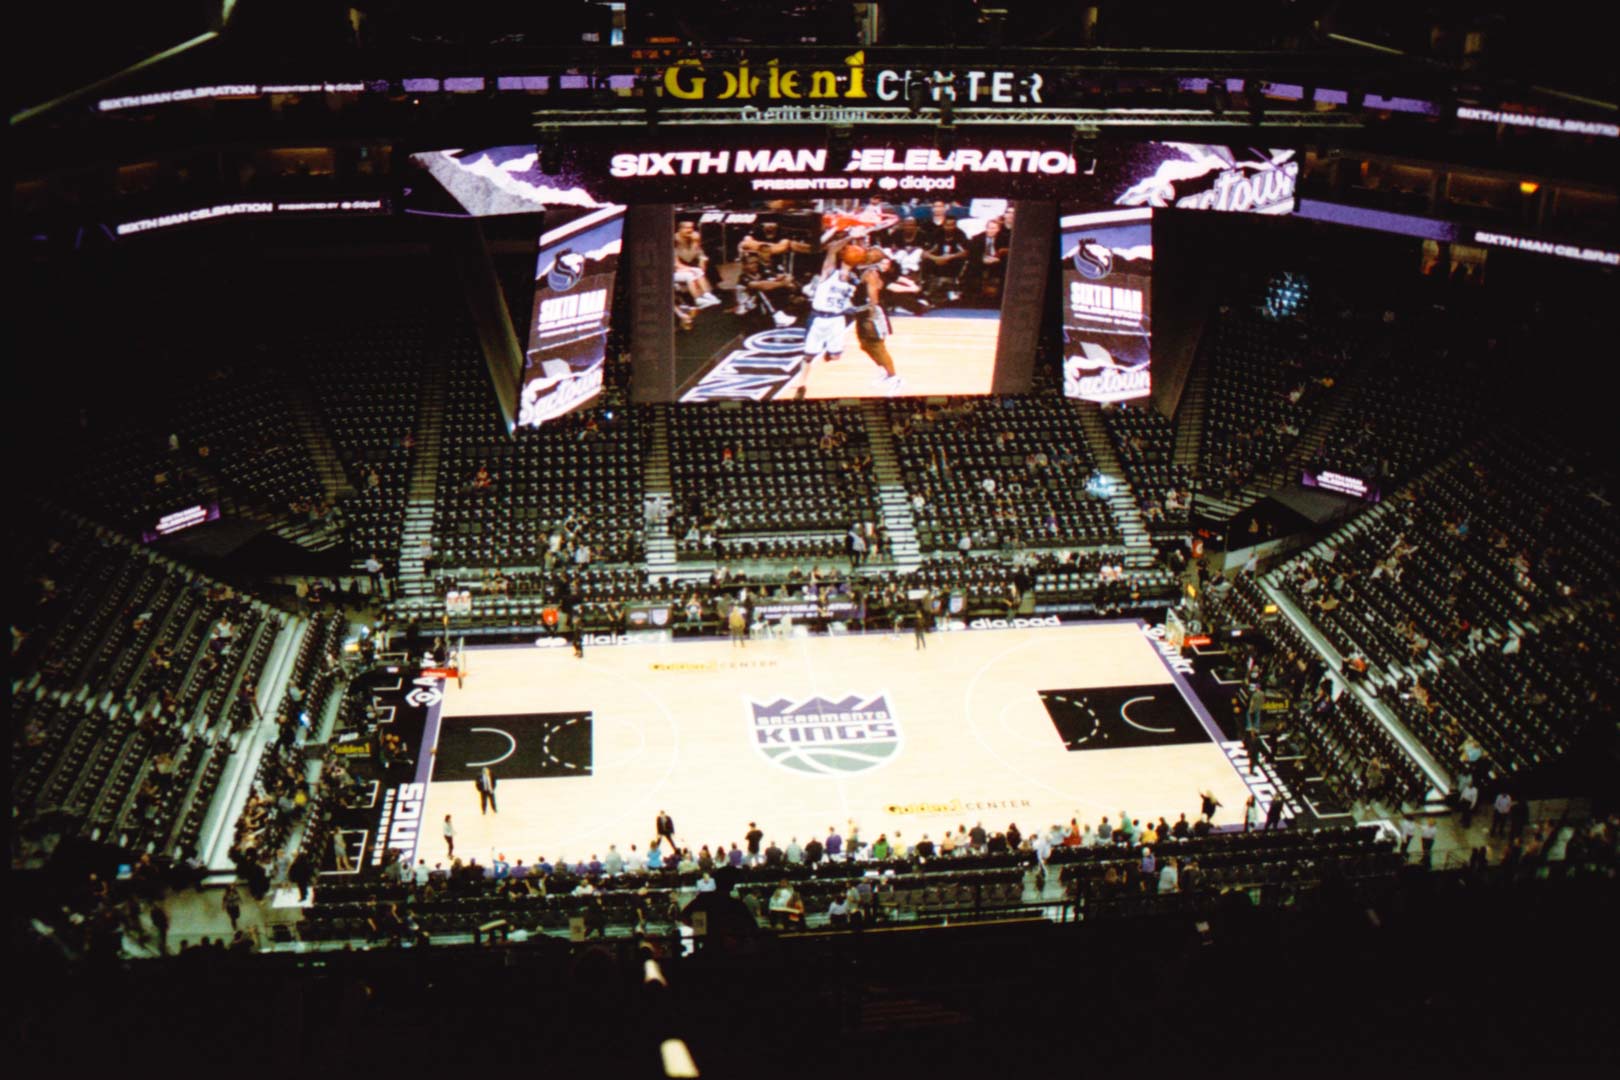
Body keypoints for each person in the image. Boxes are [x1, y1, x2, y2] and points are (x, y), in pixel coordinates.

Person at [790, 241, 864, 400]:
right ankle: (801, 384)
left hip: (837, 320)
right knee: (808, 355)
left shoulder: (855, 280)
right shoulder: (829, 272)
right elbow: (832, 249)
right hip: (818, 318)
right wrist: (849, 234)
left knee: (836, 356)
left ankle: (830, 354)